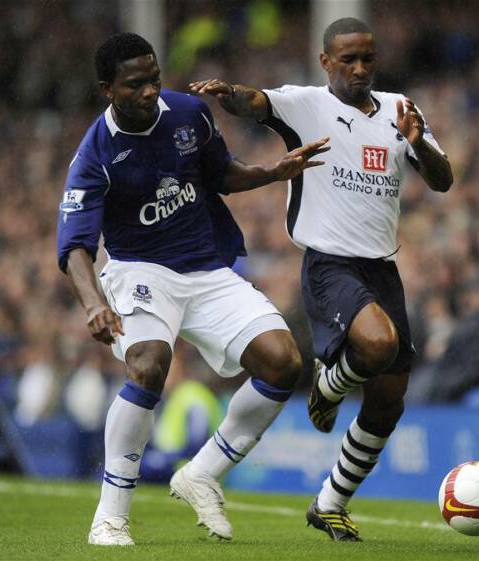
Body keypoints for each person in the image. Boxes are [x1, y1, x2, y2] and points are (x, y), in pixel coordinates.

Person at [56, 33, 329, 546]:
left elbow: (221, 175)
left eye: (154, 78)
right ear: (106, 89)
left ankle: (202, 473)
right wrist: (94, 305)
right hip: (138, 271)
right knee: (149, 363)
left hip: (205, 269)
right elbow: (74, 246)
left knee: (283, 362)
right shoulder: (94, 155)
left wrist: (274, 172)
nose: (149, 91)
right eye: (134, 84)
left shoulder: (187, 114)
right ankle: (110, 515)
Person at [189, 17, 453, 541]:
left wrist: (418, 143)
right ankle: (327, 384)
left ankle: (330, 502)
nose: (359, 69)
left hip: (383, 269)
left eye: (367, 59)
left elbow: (443, 180)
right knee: (378, 346)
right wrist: (229, 94)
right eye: (348, 60)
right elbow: (257, 102)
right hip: (330, 265)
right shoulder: (307, 104)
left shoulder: (402, 110)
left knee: (388, 399)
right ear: (326, 62)